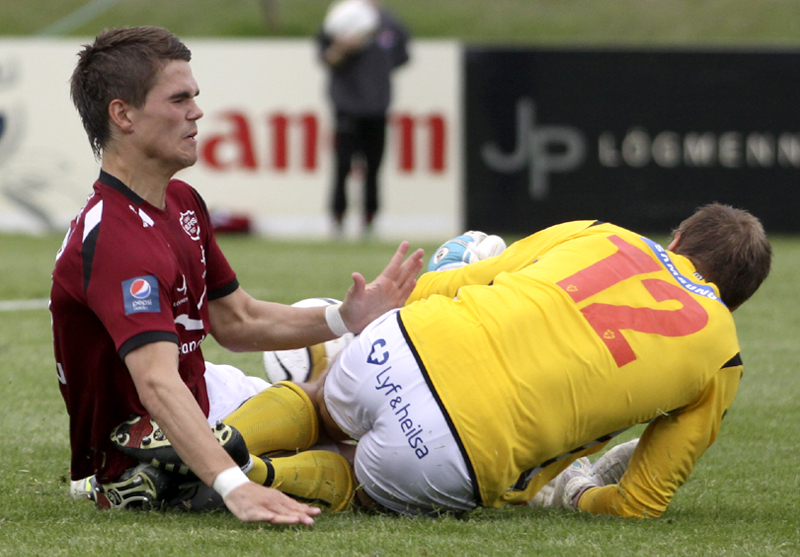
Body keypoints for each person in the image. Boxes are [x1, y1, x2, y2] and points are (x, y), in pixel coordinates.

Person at [51, 26, 423, 525]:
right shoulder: (116, 238)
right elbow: (156, 383)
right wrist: (234, 487)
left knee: (349, 404)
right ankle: (161, 476)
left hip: (203, 396)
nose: (197, 112)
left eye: (194, 97)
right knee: (372, 470)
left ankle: (220, 463)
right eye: (179, 99)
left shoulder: (181, 201)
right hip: (146, 435)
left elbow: (238, 321)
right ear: (123, 115)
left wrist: (343, 319)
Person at [222, 204, 771, 517]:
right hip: (457, 452)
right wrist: (582, 494)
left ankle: (220, 443)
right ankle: (261, 473)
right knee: (357, 478)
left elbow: (452, 284)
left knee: (321, 403)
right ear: (734, 302)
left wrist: (412, 297)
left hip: (404, 344)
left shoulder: (601, 233)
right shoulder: (722, 353)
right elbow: (639, 504)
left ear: (677, 238)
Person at [317, 0, 410, 238]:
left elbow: (402, 57)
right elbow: (325, 58)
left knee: (374, 167)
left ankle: (370, 219)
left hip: (377, 107)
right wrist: (343, 48)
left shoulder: (390, 23)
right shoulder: (341, 17)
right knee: (342, 165)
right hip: (347, 106)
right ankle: (338, 218)